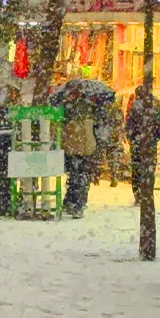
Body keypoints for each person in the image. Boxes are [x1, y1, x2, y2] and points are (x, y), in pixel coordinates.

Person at [61, 81, 98, 219]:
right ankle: (75, 203)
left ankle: (75, 204)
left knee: (77, 177)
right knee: (78, 177)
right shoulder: (85, 106)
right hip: (79, 148)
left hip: (78, 148)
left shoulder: (72, 106)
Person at [126, 86, 160, 208]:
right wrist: (154, 139)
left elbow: (129, 127)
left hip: (138, 145)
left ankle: (138, 195)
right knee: (149, 170)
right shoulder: (153, 108)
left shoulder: (134, 109)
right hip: (149, 145)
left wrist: (133, 139)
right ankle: (147, 195)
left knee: (137, 170)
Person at [94, 96, 127, 188]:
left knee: (101, 157)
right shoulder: (116, 108)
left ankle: (99, 177)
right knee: (110, 157)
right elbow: (120, 121)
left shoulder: (102, 108)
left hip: (104, 135)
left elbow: (97, 121)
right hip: (111, 136)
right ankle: (112, 177)